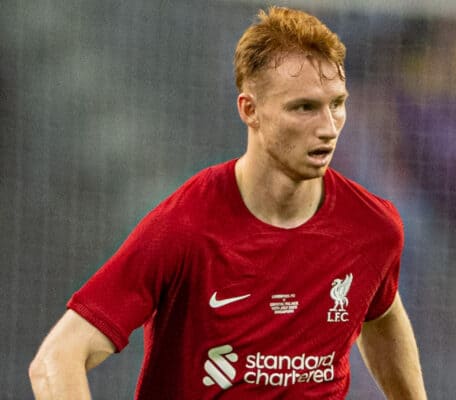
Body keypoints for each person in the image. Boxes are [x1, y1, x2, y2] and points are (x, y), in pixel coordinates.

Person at [29, 6, 427, 400]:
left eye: (336, 104)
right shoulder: (185, 225)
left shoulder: (373, 227)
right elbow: (56, 359)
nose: (328, 127)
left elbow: (383, 311)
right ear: (250, 110)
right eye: (303, 107)